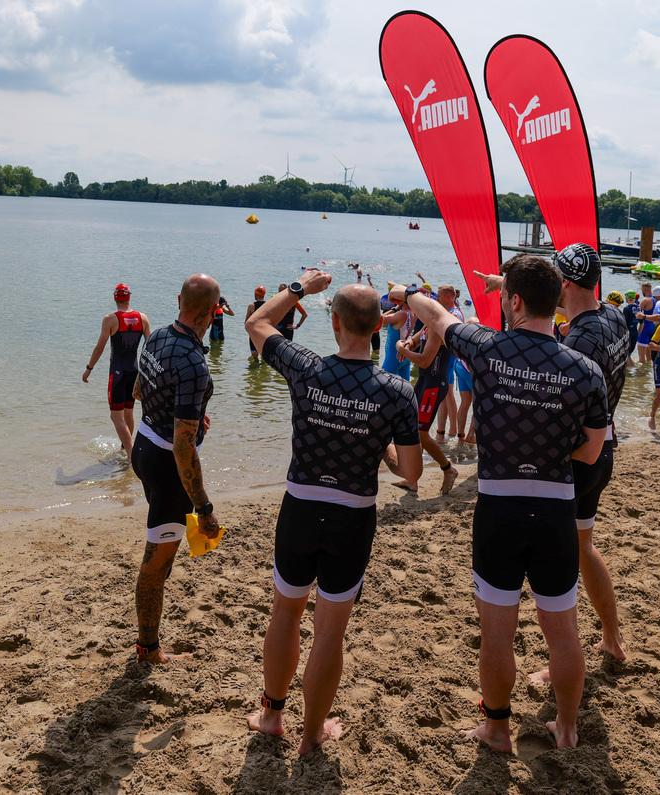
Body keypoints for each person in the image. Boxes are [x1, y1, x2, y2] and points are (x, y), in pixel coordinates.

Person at [391, 254, 608, 752]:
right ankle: (567, 728)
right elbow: (591, 450)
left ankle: (496, 727)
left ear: (513, 301)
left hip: (500, 508)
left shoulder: (487, 347)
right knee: (563, 630)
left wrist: (407, 294)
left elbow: (437, 317)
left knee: (497, 632)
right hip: (556, 509)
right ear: (556, 301)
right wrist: (549, 449)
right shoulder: (586, 370)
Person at [245, 270, 422, 756]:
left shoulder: (306, 368)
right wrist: (378, 443)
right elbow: (410, 472)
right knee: (329, 630)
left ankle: (272, 715)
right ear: (379, 327)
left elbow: (257, 323)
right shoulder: (396, 391)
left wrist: (300, 288)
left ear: (336, 323)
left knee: (285, 613)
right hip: (352, 517)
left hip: (300, 508)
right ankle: (312, 734)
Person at [130, 274, 222, 665]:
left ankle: (147, 643)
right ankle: (148, 649)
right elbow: (183, 447)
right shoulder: (194, 363)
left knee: (162, 551)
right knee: (155, 565)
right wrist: (204, 507)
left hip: (143, 446)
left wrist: (192, 416)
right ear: (212, 313)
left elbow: (139, 391)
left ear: (178, 299)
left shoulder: (157, 337)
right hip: (168, 467)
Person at [553, 243, 631, 661]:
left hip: (578, 458)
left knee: (558, 564)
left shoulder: (579, 343)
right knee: (584, 548)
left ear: (565, 283)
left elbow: (564, 412)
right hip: (605, 451)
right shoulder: (614, 316)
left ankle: (563, 665)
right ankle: (611, 638)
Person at [392, 296, 459, 496]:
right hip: (424, 382)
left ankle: (448, 469)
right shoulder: (428, 326)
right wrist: (407, 344)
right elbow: (414, 341)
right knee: (414, 429)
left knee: (421, 433)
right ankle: (412, 479)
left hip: (434, 385)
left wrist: (401, 349)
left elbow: (424, 361)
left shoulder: (438, 329)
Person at [82, 284, 151, 459]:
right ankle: (124, 448)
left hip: (118, 373)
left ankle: (131, 455)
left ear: (115, 298)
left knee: (115, 416)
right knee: (128, 412)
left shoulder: (110, 319)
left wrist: (89, 369)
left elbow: (100, 347)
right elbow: (150, 347)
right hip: (134, 372)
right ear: (129, 297)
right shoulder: (142, 318)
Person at [434, 285, 465, 439]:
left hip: (449, 357)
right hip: (446, 357)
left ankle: (453, 430)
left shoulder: (455, 314)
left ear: (448, 297)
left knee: (448, 394)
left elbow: (447, 338)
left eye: (439, 295)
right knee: (444, 395)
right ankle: (441, 431)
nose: (437, 298)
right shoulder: (448, 312)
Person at [245, 285, 267, 359]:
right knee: (264, 354)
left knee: (254, 354)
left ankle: (254, 364)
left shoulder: (251, 306)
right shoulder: (268, 305)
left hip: (254, 332)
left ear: (255, 294)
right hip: (264, 332)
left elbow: (246, 321)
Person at [622, 291, 640, 360]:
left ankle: (630, 366)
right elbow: (642, 323)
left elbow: (624, 323)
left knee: (626, 354)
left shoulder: (626, 308)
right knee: (630, 352)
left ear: (628, 298)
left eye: (625, 297)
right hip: (635, 332)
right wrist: (638, 333)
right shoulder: (639, 308)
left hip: (628, 333)